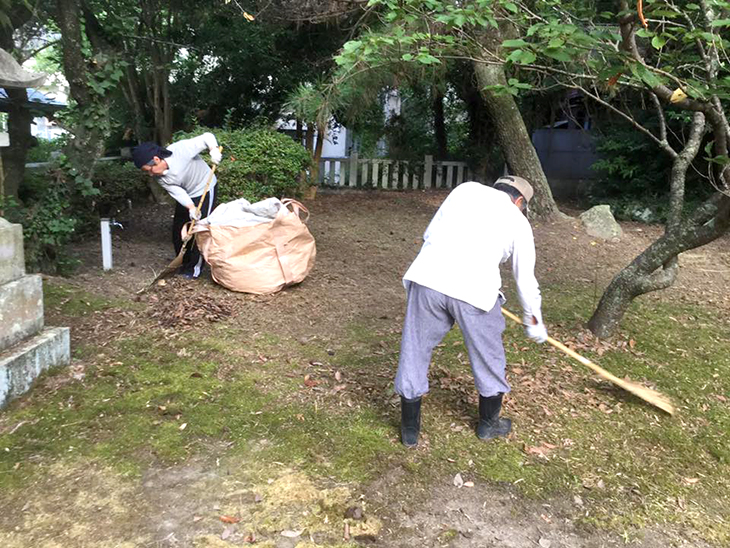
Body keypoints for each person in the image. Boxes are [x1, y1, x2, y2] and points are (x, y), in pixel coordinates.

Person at [394, 177, 548, 447]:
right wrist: (533, 321)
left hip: (428, 278)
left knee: (414, 348)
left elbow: (430, 233)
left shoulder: (464, 190)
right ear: (520, 201)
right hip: (476, 291)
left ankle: (409, 430)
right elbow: (525, 279)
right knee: (488, 355)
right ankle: (489, 425)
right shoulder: (518, 220)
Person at [132, 132, 222, 278]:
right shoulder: (159, 178)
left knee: (198, 229)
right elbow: (177, 192)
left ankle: (194, 269)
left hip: (204, 187)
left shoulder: (180, 150)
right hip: (187, 193)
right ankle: (182, 263)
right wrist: (191, 208)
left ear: (156, 159)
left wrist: (213, 150)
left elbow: (207, 137)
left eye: (149, 170)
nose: (150, 174)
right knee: (179, 229)